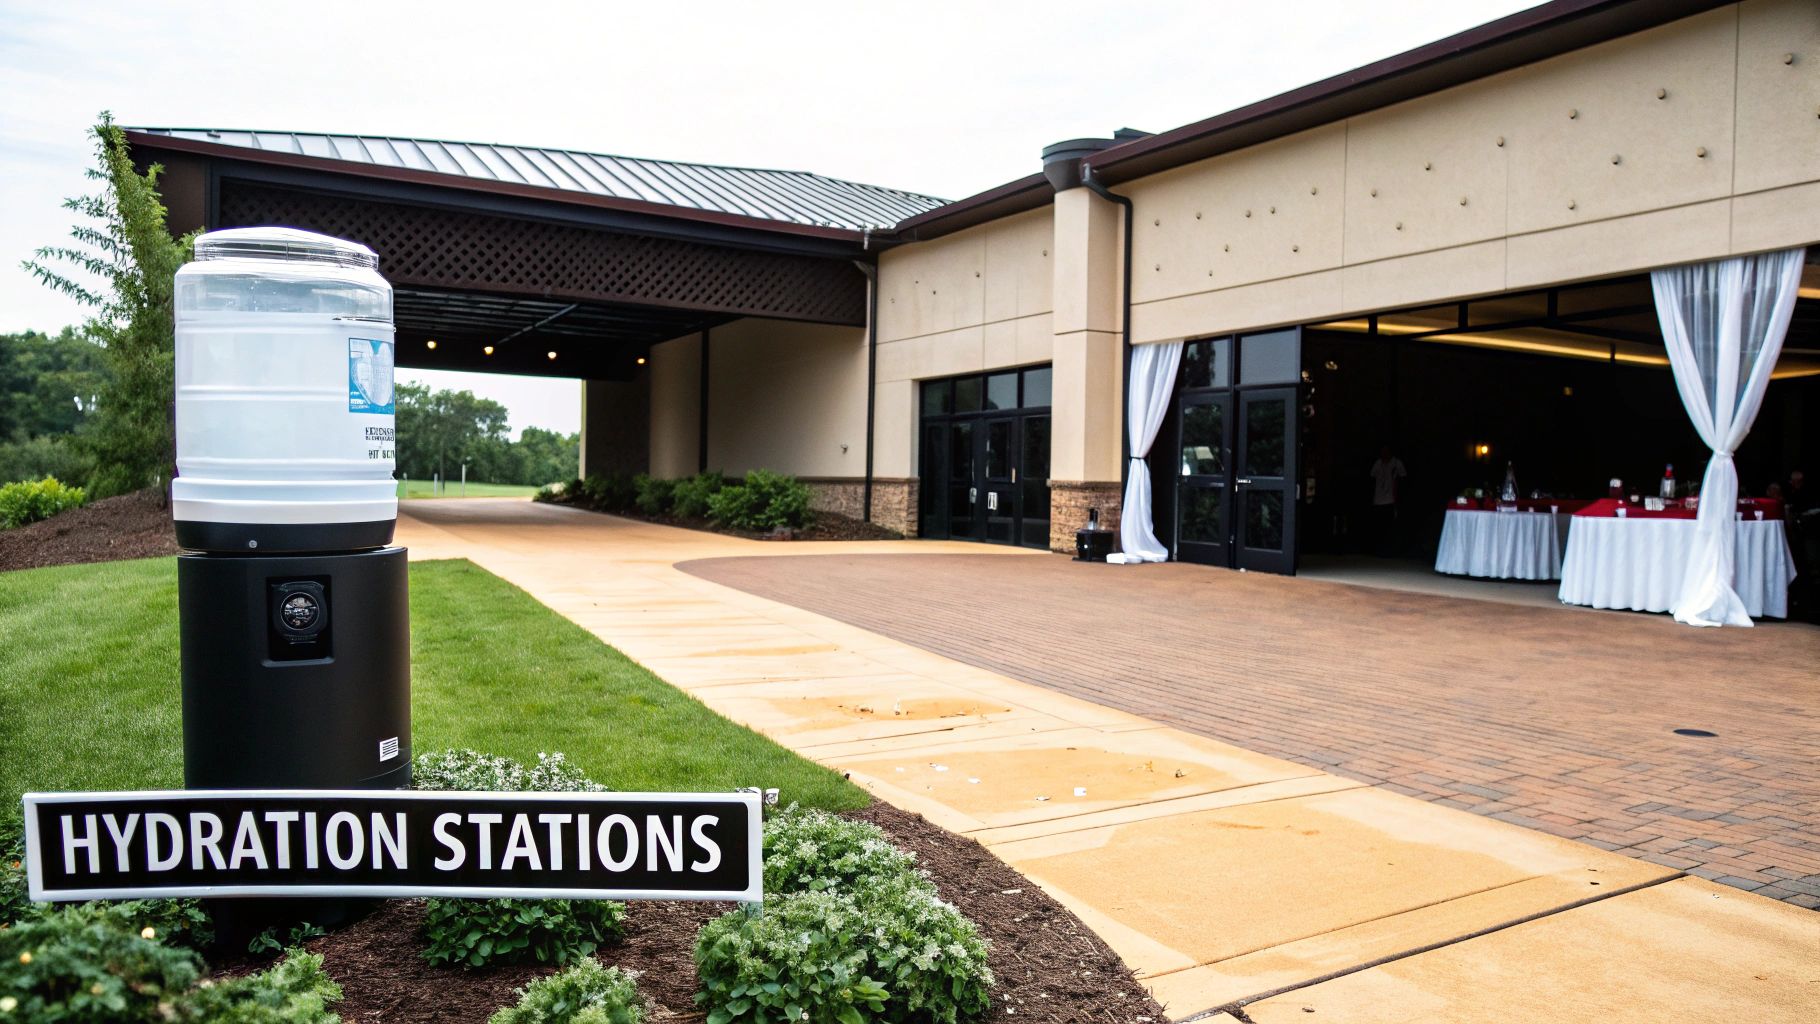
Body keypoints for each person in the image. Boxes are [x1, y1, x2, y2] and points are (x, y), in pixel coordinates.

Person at [1368, 445, 1407, 556]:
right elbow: (1372, 476)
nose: (1384, 454)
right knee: (1378, 526)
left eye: (1386, 451)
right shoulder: (1378, 463)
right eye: (1382, 451)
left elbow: (1403, 477)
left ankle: (1389, 550)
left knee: (1389, 526)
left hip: (1391, 499)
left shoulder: (1396, 463)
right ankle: (1378, 550)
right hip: (1378, 499)